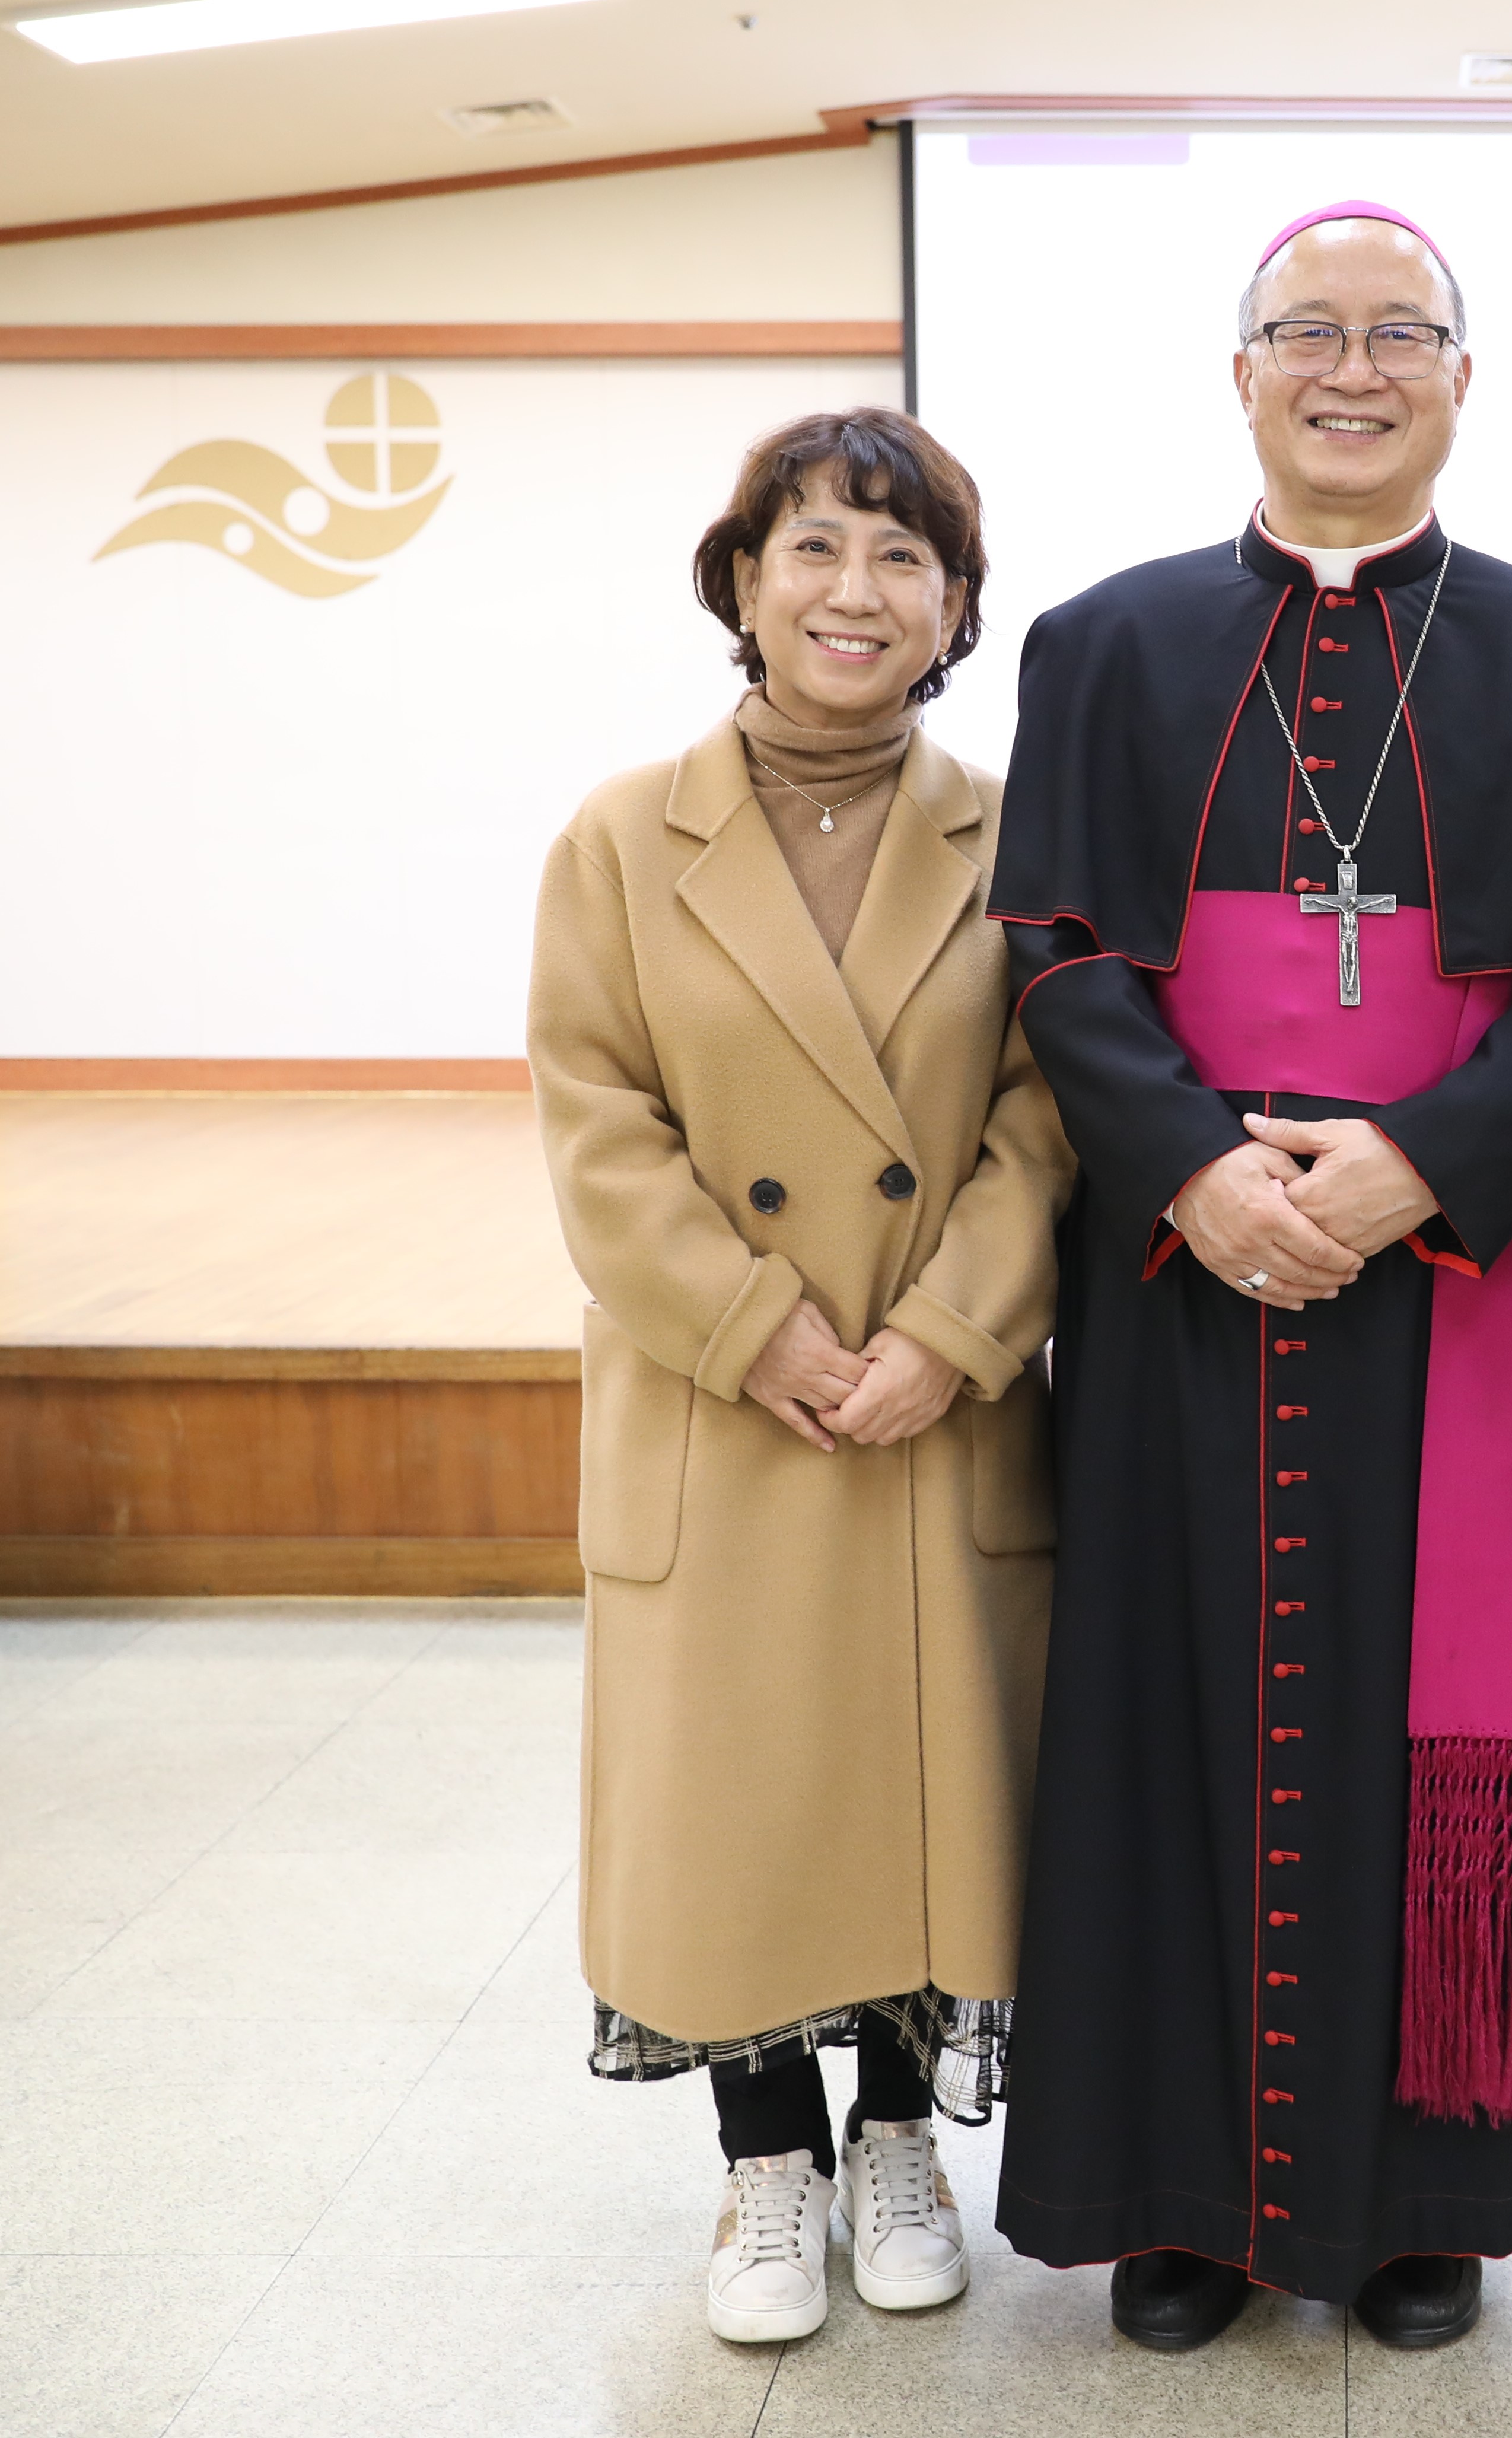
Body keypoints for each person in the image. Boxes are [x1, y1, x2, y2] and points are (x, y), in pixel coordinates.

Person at [987, 202, 1512, 2353]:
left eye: (1403, 335)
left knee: (1432, 1723)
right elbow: (1059, 952)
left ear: (1464, 379)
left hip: (1445, 1284)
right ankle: (1175, 2193)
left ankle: (1425, 2203)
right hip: (1186, 1283)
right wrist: (1199, 1173)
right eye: (1311, 332)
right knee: (1163, 1709)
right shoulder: (1104, 650)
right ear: (1242, 373)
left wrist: (1416, 1167)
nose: (1354, 368)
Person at [528, 406, 1073, 2345]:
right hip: (726, 1403)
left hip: (935, 1400)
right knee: (741, 1796)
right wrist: (761, 1331)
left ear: (953, 611)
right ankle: (767, 2166)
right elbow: (596, 1128)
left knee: (928, 1783)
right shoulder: (620, 833)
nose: (859, 591)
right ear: (741, 583)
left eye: (904, 559)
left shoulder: (1019, 826)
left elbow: (1049, 1114)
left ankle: (903, 2135)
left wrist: (945, 1336)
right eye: (816, 550)